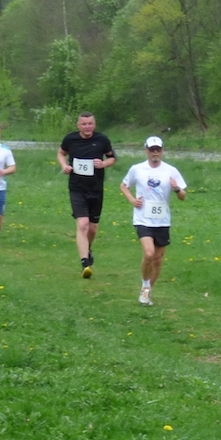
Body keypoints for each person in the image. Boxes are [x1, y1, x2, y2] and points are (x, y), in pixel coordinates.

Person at [120, 136, 187, 305]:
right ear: (146, 150)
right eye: (152, 149)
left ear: (162, 151)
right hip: (142, 218)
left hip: (162, 220)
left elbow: (183, 196)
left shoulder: (171, 170)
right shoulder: (137, 169)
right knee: (149, 254)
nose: (155, 152)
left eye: (158, 149)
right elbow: (124, 186)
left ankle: (147, 292)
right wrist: (132, 200)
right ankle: (145, 285)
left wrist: (176, 189)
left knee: (157, 259)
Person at [58, 112, 116, 278]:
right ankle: (85, 263)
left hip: (96, 189)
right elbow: (61, 153)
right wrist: (64, 166)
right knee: (82, 224)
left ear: (94, 125)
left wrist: (103, 163)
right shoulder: (70, 139)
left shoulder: (102, 140)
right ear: (78, 125)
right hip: (77, 188)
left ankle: (88, 248)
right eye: (84, 124)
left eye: (90, 123)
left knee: (92, 228)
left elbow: (112, 158)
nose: (87, 127)